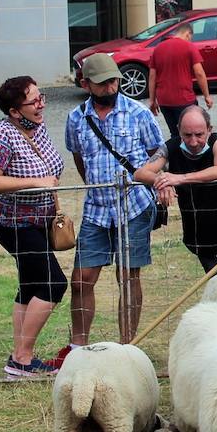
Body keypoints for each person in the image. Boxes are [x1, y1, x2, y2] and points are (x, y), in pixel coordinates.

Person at [62, 53, 166, 360]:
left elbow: (159, 151)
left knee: (128, 276)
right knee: (82, 278)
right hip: (96, 208)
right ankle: (78, 347)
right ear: (85, 84)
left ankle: (127, 347)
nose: (110, 87)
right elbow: (78, 157)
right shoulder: (76, 118)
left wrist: (150, 177)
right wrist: (94, 185)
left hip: (133, 205)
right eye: (102, 83)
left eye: (114, 81)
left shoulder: (138, 112)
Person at [0, 76, 67, 378]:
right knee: (54, 284)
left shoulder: (37, 128)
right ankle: (22, 358)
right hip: (11, 222)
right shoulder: (3, 135)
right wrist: (35, 182)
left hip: (38, 220)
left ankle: (20, 360)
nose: (41, 104)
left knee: (30, 286)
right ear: (15, 111)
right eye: (34, 101)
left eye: (41, 97)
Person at [154, 105, 217, 272]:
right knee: (216, 282)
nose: (193, 141)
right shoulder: (171, 147)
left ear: (209, 130)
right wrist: (162, 182)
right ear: (178, 130)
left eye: (199, 134)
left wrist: (179, 178)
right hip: (198, 235)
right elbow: (141, 172)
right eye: (187, 135)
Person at [148, 23, 214, 138]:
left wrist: (152, 100)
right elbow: (199, 73)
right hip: (184, 99)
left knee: (174, 133)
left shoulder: (158, 48)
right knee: (190, 133)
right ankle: (189, 155)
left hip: (164, 100)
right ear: (188, 34)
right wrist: (207, 96)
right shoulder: (189, 47)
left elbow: (152, 76)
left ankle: (175, 155)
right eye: (191, 38)